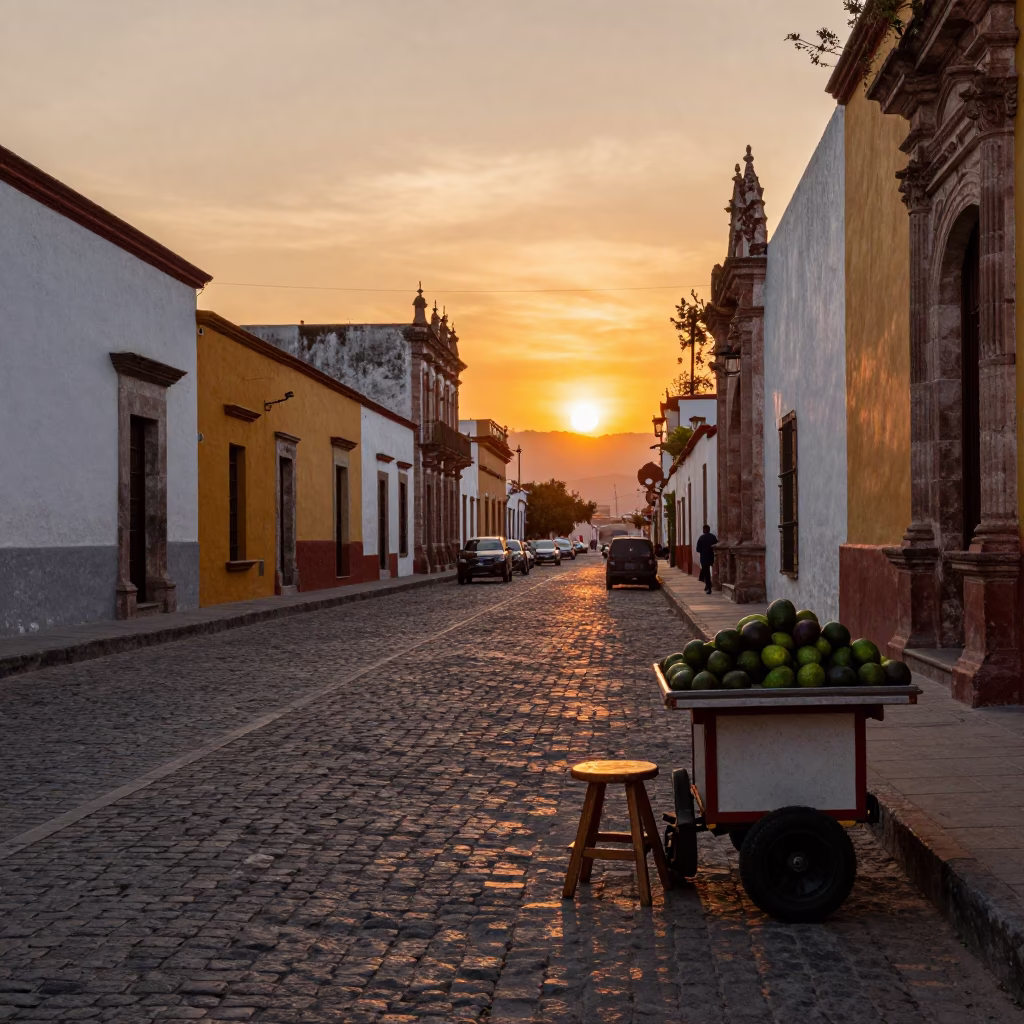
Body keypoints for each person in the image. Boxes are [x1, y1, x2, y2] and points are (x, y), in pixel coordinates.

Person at [695, 523, 718, 594]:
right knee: (710, 571)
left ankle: (709, 587)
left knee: (706, 573)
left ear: (704, 530)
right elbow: (716, 546)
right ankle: (708, 585)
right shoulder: (713, 537)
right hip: (711, 557)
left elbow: (698, 549)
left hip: (704, 558)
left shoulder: (701, 538)